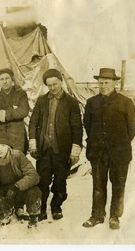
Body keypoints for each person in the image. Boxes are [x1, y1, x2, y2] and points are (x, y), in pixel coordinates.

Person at [82, 68, 135, 230]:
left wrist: (121, 141)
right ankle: (97, 215)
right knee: (98, 185)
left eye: (106, 83)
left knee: (118, 185)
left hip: (119, 152)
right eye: (100, 83)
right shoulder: (91, 102)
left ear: (114, 83)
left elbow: (134, 124)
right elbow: (87, 124)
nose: (103, 86)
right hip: (98, 152)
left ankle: (115, 216)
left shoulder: (125, 102)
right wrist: (97, 140)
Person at [29, 68, 83, 221]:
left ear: (61, 82)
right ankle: (41, 208)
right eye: (49, 85)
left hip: (62, 150)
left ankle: (56, 206)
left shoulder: (71, 102)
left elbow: (77, 127)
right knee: (42, 180)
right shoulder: (41, 101)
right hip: (44, 150)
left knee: (60, 181)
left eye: (55, 84)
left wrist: (75, 148)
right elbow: (33, 122)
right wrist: (33, 142)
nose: (52, 88)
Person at [0, 131, 41, 228]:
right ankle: (7, 211)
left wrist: (16, 186)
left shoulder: (18, 156)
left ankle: (33, 217)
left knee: (34, 191)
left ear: (9, 146)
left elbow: (33, 175)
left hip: (18, 192)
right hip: (3, 195)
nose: (0, 149)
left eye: (3, 145)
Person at [0, 68, 29, 154]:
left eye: (7, 78)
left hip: (17, 138)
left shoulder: (21, 94)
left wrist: (3, 114)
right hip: (0, 138)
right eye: (1, 79)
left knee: (17, 163)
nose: (5, 81)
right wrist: (14, 111)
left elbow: (24, 111)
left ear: (12, 80)